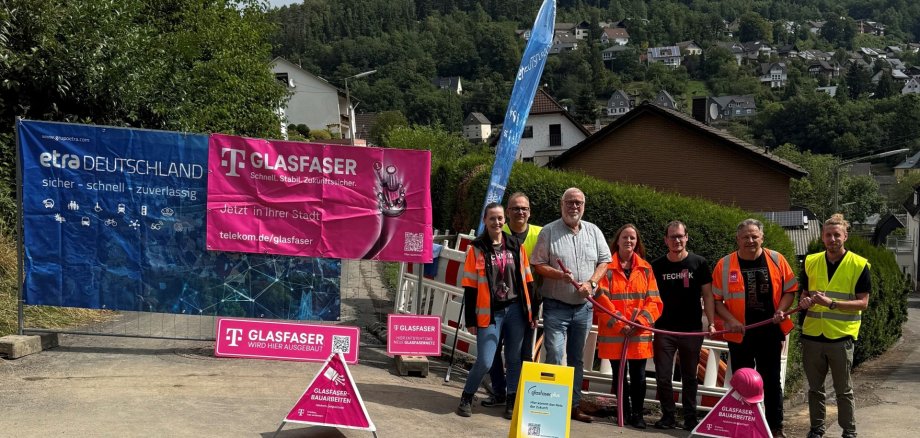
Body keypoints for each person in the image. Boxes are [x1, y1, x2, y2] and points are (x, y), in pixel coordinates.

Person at [531, 187, 611, 423]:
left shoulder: (594, 232)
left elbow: (605, 261)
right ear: (561, 204)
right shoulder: (549, 231)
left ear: (584, 206)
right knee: (555, 354)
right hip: (556, 305)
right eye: (570, 202)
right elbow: (538, 264)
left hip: (583, 308)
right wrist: (558, 275)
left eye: (578, 203)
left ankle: (572, 407)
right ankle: (552, 406)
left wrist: (592, 282)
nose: (574, 207)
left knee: (576, 359)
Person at [712, 218, 797, 438]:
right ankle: (744, 427)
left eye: (754, 236)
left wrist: (781, 310)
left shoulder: (777, 259)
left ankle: (774, 428)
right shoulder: (724, 265)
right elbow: (716, 301)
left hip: (769, 332)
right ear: (737, 239)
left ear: (762, 237)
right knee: (742, 383)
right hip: (740, 335)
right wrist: (730, 320)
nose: (750, 240)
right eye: (745, 237)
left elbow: (790, 290)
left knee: (771, 381)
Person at [457, 203, 536, 420]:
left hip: (516, 311)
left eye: (500, 218)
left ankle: (511, 400)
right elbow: (470, 287)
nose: (497, 222)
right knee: (485, 360)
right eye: (492, 218)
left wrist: (533, 313)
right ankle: (466, 396)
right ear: (485, 220)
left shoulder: (516, 245)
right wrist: (470, 320)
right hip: (490, 313)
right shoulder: (476, 248)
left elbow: (528, 281)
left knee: (513, 358)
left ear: (505, 219)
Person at [798, 214, 870, 438]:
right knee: (815, 390)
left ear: (845, 236)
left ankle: (849, 431)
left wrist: (832, 304)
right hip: (812, 336)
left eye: (837, 235)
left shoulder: (858, 264)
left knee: (843, 390)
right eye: (828, 235)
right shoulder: (810, 261)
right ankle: (816, 429)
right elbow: (803, 296)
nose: (832, 239)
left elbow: (863, 302)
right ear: (822, 237)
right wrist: (804, 302)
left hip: (841, 338)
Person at [594, 224, 662, 429]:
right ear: (618, 240)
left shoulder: (646, 269)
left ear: (637, 242)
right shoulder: (606, 268)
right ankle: (622, 412)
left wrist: (639, 323)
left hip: (638, 334)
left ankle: (638, 415)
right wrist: (619, 324)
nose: (629, 241)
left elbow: (655, 301)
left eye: (633, 238)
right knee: (620, 376)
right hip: (617, 335)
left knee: (640, 377)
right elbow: (600, 298)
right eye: (625, 237)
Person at [481, 192, 543, 409]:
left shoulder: (540, 233)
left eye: (524, 208)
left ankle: (518, 397)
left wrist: (534, 309)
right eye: (515, 208)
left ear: (529, 212)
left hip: (525, 304)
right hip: (496, 305)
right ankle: (499, 391)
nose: (520, 212)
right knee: (493, 350)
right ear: (507, 213)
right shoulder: (498, 230)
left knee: (521, 353)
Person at [651, 220, 715, 431]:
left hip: (691, 330)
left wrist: (712, 323)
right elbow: (650, 296)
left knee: (689, 377)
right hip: (664, 329)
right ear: (665, 240)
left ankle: (690, 419)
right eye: (672, 236)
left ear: (686, 237)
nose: (677, 240)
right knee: (663, 375)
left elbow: (708, 295)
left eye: (680, 236)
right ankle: (668, 416)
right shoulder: (657, 265)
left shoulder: (699, 263)